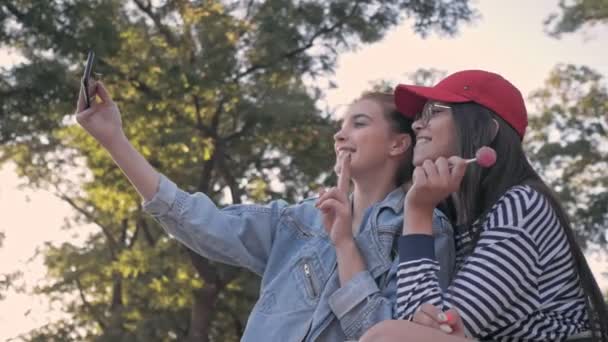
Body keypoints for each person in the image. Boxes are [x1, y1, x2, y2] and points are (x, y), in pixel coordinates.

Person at [74, 83, 456, 341]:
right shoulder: (297, 220)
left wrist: (344, 246)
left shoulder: (423, 229)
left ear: (398, 145)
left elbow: (391, 334)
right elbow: (194, 219)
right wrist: (114, 139)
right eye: (340, 126)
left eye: (359, 123)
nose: (340, 135)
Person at [360, 70, 608, 341]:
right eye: (419, 115)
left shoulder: (522, 206)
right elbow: (420, 320)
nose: (418, 124)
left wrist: (417, 212)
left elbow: (432, 331)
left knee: (385, 337)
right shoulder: (452, 219)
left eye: (435, 111)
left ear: (486, 131)